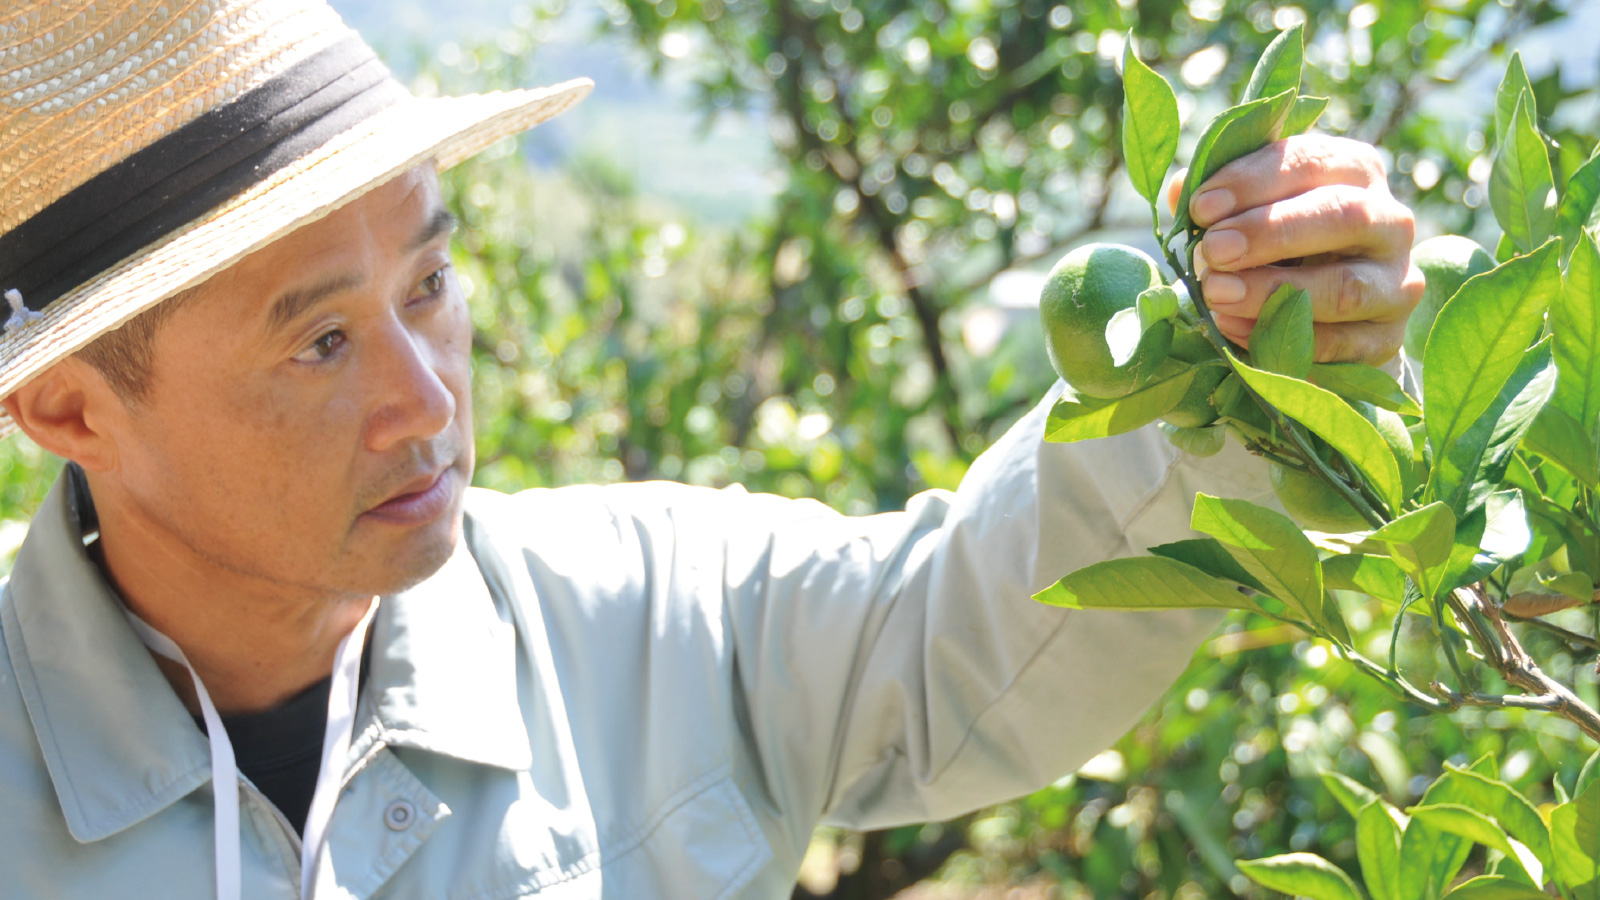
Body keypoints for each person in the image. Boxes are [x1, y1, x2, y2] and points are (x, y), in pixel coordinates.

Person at [0, 0, 1422, 897]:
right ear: (71, 411)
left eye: (429, 284)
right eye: (319, 343)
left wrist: (1247, 362)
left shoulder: (649, 611)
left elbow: (965, 637)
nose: (426, 398)